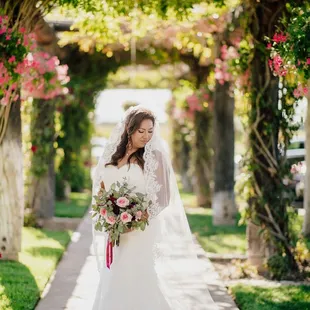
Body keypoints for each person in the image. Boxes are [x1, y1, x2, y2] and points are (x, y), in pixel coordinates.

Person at [91, 106, 218, 310]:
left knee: (137, 273)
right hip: (115, 229)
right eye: (141, 131)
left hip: (141, 228)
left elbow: (163, 197)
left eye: (150, 131)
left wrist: (136, 219)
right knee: (116, 273)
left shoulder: (155, 157)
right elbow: (103, 190)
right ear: (128, 129)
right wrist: (109, 214)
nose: (146, 136)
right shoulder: (112, 155)